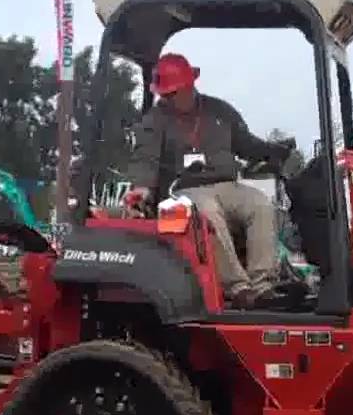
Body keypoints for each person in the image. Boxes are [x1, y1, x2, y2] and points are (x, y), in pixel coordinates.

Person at [125, 53, 294, 308]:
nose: (168, 99)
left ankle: (263, 285)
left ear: (189, 85)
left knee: (260, 204)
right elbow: (145, 159)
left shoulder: (221, 112)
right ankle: (237, 288)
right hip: (183, 190)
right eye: (165, 95)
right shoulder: (154, 121)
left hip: (226, 184)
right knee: (207, 211)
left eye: (173, 93)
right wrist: (141, 189)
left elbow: (247, 144)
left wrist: (274, 151)